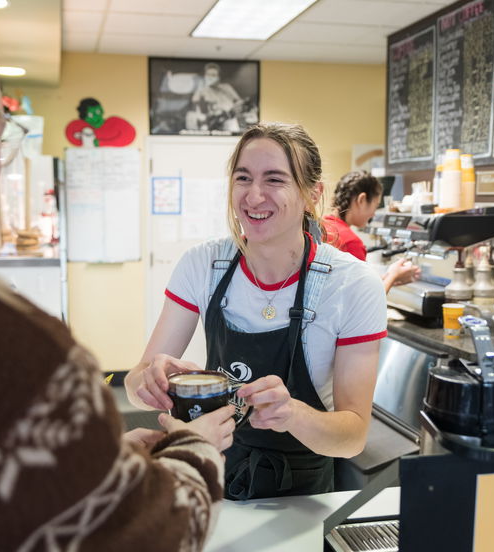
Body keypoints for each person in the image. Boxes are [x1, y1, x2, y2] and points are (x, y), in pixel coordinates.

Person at [0, 7, 234, 551]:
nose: (0, 160)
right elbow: (150, 531)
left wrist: (101, 461)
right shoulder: (5, 343)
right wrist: (195, 448)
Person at [126, 122, 388, 500]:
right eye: (243, 178)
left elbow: (352, 438)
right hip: (209, 472)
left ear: (312, 195)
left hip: (302, 496)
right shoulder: (203, 265)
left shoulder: (351, 284)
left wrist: (292, 414)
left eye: (275, 179)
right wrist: (146, 384)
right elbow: (135, 385)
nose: (253, 195)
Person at [322, 170, 421, 293]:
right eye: (376, 205)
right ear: (362, 200)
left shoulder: (322, 226)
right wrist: (393, 276)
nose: (374, 214)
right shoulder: (350, 242)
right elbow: (363, 302)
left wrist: (389, 277)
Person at [185, 62, 245, 133]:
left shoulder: (226, 87)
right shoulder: (202, 90)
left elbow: (240, 102)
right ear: (205, 76)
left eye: (213, 75)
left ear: (218, 77)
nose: (210, 77)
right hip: (212, 123)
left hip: (229, 121)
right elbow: (194, 104)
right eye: (208, 75)